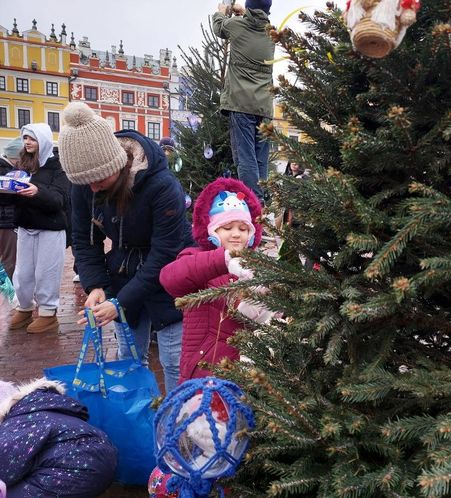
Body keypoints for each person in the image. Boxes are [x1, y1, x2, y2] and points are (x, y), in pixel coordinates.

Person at [58, 101, 193, 394]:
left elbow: (165, 255)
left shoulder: (162, 186)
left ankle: (177, 423)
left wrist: (119, 302)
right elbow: (84, 238)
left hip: (170, 276)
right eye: (84, 183)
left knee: (172, 361)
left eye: (98, 180)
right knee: (129, 359)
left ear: (115, 164)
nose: (92, 188)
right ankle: (138, 422)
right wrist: (96, 285)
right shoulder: (84, 183)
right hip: (123, 270)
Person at [160, 177, 273, 382]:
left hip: (244, 372)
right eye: (228, 228)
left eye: (243, 228)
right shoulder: (196, 258)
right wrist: (223, 260)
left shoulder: (254, 268)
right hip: (205, 371)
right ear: (212, 230)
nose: (236, 234)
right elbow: (170, 279)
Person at [0, 378, 117, 498]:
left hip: (74, 470)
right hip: (105, 458)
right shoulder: (47, 408)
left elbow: (4, 468)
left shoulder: (17, 424)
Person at [9, 124, 70, 334]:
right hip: (26, 226)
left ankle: (48, 312)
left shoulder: (58, 168)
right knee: (23, 272)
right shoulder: (23, 165)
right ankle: (24, 307)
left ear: (42, 141)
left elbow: (59, 200)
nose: (27, 142)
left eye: (32, 138)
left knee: (46, 272)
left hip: (50, 229)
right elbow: (11, 197)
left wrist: (37, 192)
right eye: (25, 138)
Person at [212, 0, 275, 204]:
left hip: (241, 104)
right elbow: (257, 23)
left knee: (245, 157)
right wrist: (246, 13)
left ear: (248, 7)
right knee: (260, 159)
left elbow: (219, 27)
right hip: (265, 107)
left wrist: (221, 12)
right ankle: (261, 203)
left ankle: (253, 204)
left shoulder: (236, 26)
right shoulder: (272, 34)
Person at [0, 137, 22, 280]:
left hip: (5, 220)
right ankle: (11, 294)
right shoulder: (6, 171)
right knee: (10, 259)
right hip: (6, 221)